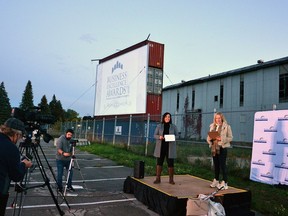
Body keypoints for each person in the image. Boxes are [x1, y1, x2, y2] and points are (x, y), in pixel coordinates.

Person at [0, 118, 33, 215]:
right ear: (16, 134)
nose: (19, 139)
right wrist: (24, 164)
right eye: (20, 136)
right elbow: (16, 176)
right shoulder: (10, 147)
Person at [207, 112, 233, 190]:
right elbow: (208, 137)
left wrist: (222, 139)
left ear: (222, 118)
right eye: (216, 118)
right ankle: (216, 180)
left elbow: (230, 137)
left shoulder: (227, 126)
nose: (218, 120)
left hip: (222, 147)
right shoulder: (212, 126)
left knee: (223, 165)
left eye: (219, 118)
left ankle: (225, 182)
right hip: (214, 148)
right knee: (216, 165)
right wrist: (210, 139)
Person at [153, 112, 178, 185]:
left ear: (170, 118)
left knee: (170, 163)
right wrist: (159, 137)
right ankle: (158, 179)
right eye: (166, 117)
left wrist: (172, 137)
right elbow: (155, 135)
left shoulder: (173, 126)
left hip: (170, 147)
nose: (167, 118)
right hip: (161, 147)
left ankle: (171, 179)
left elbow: (177, 136)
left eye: (169, 117)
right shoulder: (159, 126)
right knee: (159, 162)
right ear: (163, 118)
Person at [56, 129, 75, 193]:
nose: (69, 136)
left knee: (70, 173)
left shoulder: (71, 140)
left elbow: (72, 150)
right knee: (60, 174)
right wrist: (63, 153)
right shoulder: (61, 139)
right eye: (68, 134)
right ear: (66, 134)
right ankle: (59, 187)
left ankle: (69, 186)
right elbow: (58, 149)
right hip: (60, 159)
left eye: (71, 135)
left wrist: (71, 154)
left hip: (68, 160)